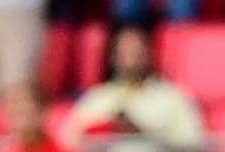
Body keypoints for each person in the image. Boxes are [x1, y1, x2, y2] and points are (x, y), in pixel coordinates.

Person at [58, 23, 205, 151]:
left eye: (136, 50)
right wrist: (106, 129)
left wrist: (143, 133)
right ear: (113, 57)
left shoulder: (175, 98)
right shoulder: (97, 97)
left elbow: (194, 143)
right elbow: (68, 139)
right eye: (124, 50)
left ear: (151, 54)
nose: (130, 56)